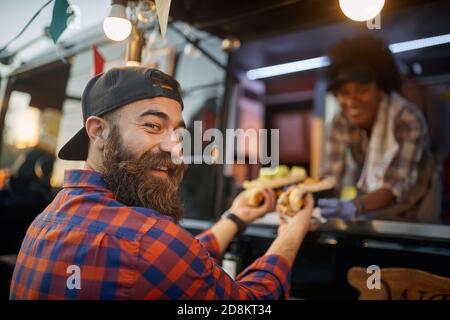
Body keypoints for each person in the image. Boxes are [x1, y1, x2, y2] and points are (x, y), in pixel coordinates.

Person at [10, 67, 314, 299]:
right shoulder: (148, 240)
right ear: (98, 131)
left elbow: (178, 261)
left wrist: (235, 217)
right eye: (153, 126)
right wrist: (293, 231)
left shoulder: (45, 221)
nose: (174, 147)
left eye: (178, 133)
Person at [318, 35, 438, 223]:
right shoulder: (340, 122)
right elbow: (332, 176)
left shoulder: (406, 118)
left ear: (381, 89)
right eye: (344, 92)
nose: (351, 101)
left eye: (362, 90)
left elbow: (395, 185)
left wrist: (352, 206)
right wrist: (306, 196)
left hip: (416, 205)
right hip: (370, 204)